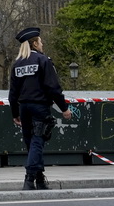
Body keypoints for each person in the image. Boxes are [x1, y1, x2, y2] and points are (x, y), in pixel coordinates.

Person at [8, 26, 72, 190]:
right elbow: (53, 88)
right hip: (40, 107)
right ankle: (29, 179)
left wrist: (15, 113)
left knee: (31, 144)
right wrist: (64, 108)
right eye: (40, 42)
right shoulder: (43, 61)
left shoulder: (17, 64)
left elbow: (13, 93)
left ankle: (40, 180)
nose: (42, 44)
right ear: (35, 43)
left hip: (24, 108)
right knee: (37, 142)